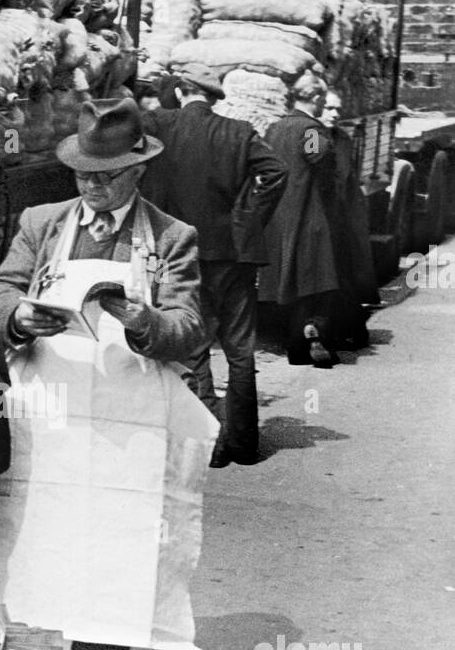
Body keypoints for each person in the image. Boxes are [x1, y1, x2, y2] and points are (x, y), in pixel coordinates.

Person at [0, 96, 214, 650]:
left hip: (125, 421)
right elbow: (0, 287)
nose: (93, 186)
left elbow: (189, 327)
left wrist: (146, 322)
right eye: (84, 173)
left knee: (113, 544)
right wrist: (18, 316)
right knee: (35, 535)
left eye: (106, 175)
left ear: (138, 171)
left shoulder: (170, 238)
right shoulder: (43, 222)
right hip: (49, 412)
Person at [142, 61, 288, 467]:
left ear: (183, 90)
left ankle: (210, 441)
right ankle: (242, 444)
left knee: (196, 345)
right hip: (235, 254)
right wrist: (250, 214)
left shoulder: (161, 125)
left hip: (182, 252)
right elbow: (277, 171)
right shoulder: (238, 132)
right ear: (212, 96)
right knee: (241, 350)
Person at [261, 74, 343, 367]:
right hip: (308, 215)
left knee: (290, 280)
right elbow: (320, 165)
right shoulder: (309, 130)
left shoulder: (275, 128)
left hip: (278, 215)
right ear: (317, 99)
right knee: (313, 282)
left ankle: (294, 343)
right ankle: (308, 337)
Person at [320, 88, 379, 348]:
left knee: (343, 275)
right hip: (322, 218)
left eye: (337, 109)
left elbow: (347, 177)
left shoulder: (342, 138)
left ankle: (348, 329)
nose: (334, 114)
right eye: (328, 108)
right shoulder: (312, 135)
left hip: (341, 218)